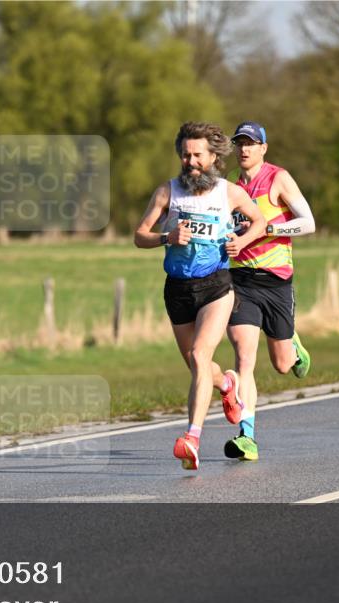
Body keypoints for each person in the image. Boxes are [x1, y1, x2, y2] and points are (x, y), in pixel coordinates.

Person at [134, 122, 267, 471]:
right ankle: (227, 383)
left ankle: (191, 438)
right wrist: (166, 237)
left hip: (215, 285)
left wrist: (243, 241)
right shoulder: (168, 192)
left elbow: (259, 221)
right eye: (185, 154)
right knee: (197, 366)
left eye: (197, 155)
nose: (190, 161)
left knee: (199, 353)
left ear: (213, 157)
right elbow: (139, 235)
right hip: (177, 287)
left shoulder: (228, 193)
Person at [224, 121, 316, 463]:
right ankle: (247, 437)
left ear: (263, 147)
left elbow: (308, 222)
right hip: (240, 282)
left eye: (251, 143)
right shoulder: (231, 185)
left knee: (281, 365)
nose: (244, 149)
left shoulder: (278, 178)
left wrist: (270, 228)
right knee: (244, 359)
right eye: (240, 144)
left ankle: (292, 344)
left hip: (276, 281)